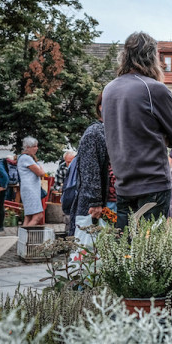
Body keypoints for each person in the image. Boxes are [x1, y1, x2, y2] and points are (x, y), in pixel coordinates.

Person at [102, 32, 172, 230]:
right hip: (152, 183)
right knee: (150, 253)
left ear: (125, 56)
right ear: (152, 57)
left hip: (123, 183)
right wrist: (159, 134)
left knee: (126, 251)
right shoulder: (154, 89)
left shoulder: (109, 90)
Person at [68, 93, 110, 236]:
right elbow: (89, 170)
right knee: (90, 249)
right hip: (97, 206)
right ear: (101, 107)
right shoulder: (95, 132)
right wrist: (95, 201)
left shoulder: (110, 132)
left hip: (109, 202)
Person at [18, 137, 46, 226]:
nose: (36, 148)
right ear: (28, 147)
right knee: (38, 216)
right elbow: (41, 173)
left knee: (29, 216)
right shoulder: (27, 158)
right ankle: (27, 236)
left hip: (27, 189)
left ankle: (22, 237)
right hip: (31, 190)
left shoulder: (22, 158)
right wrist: (40, 166)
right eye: (34, 146)